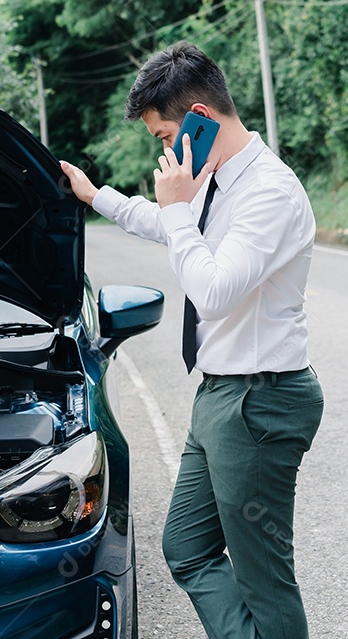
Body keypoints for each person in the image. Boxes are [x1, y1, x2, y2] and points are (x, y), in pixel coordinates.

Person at [59, 41, 323, 639]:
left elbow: (214, 291)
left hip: (261, 402)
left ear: (200, 119)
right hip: (223, 396)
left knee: (265, 578)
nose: (164, 150)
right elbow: (170, 225)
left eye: (163, 135)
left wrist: (176, 209)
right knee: (186, 546)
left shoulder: (269, 191)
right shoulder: (214, 180)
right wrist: (96, 196)